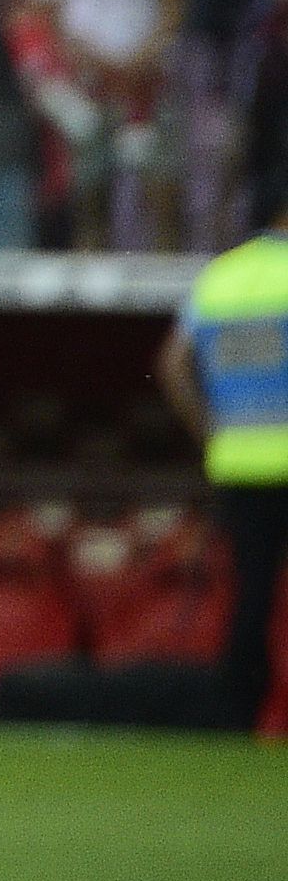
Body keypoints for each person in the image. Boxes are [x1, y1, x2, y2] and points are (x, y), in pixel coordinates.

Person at [158, 230, 288, 728]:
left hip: (239, 464)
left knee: (252, 598)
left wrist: (214, 433)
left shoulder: (221, 277)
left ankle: (238, 715)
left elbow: (171, 364)